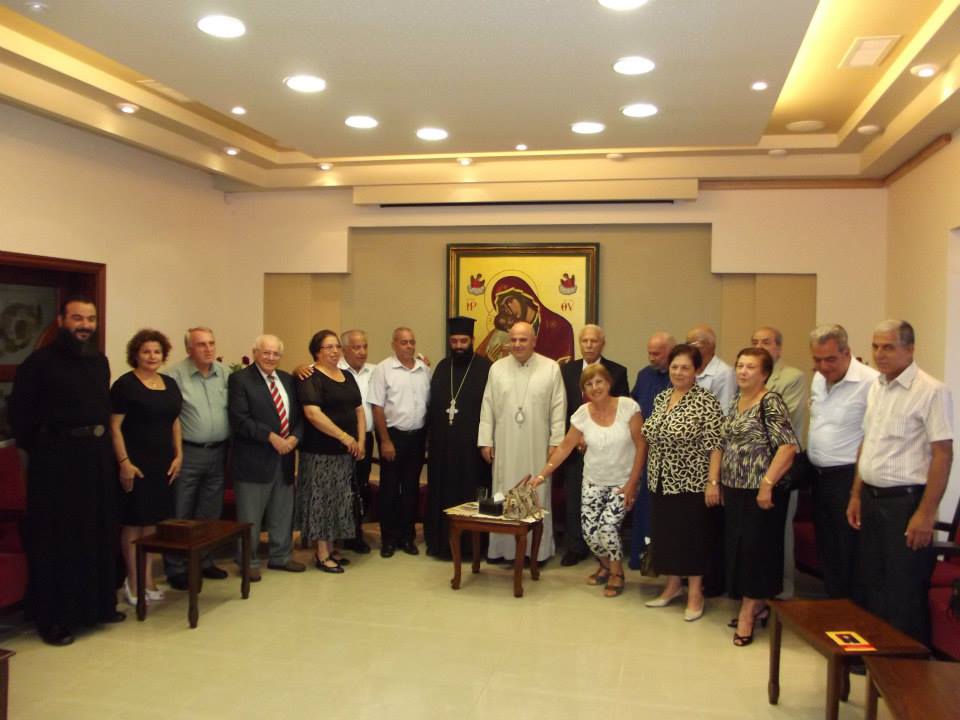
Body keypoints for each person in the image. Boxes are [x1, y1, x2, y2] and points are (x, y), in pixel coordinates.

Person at [8, 296, 125, 646]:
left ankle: (98, 606)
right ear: (61, 321)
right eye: (77, 318)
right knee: (57, 540)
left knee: (97, 533)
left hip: (96, 459)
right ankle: (53, 618)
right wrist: (49, 449)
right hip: (55, 465)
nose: (85, 325)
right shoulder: (38, 363)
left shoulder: (99, 361)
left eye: (90, 319)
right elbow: (20, 418)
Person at [846, 320, 953, 644]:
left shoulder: (931, 391)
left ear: (910, 349)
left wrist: (926, 513)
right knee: (871, 583)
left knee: (903, 588)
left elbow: (943, 454)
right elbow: (868, 442)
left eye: (888, 347)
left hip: (906, 503)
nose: (880, 354)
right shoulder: (876, 387)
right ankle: (875, 656)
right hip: (871, 498)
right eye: (876, 346)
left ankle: (905, 665)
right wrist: (856, 494)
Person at [533, 364, 644, 596]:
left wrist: (633, 483)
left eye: (599, 382)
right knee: (590, 533)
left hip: (622, 482)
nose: (595, 387)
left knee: (607, 528)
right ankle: (605, 565)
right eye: (589, 384)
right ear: (584, 390)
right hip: (593, 481)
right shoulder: (582, 414)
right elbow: (565, 447)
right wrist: (542, 474)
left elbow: (641, 445)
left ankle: (616, 573)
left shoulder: (628, 407)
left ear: (609, 383)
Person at [720, 347, 798, 647]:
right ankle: (758, 604)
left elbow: (787, 447)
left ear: (764, 374)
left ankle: (747, 615)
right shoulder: (735, 400)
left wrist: (767, 484)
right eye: (739, 365)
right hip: (734, 489)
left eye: (750, 367)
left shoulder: (771, 401)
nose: (742, 371)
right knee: (740, 550)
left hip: (760, 491)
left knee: (756, 552)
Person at [641, 344, 723, 621]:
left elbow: (716, 445)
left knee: (692, 539)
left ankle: (695, 593)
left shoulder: (706, 401)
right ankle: (673, 586)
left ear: (696, 370)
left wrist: (713, 482)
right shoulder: (662, 397)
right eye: (675, 367)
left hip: (692, 482)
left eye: (685, 367)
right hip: (660, 480)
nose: (678, 372)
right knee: (667, 537)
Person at [478, 321, 565, 562]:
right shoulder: (497, 369)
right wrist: (485, 440)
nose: (517, 344)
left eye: (523, 339)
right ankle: (502, 549)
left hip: (538, 444)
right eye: (513, 339)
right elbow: (487, 406)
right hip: (504, 442)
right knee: (504, 490)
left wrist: (556, 442)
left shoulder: (550, 368)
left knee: (536, 494)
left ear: (534, 341)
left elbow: (558, 408)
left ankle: (537, 552)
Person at [110, 329, 183, 606]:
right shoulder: (125, 385)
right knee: (134, 522)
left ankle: (148, 578)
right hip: (136, 464)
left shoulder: (169, 384)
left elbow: (175, 421)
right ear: (136, 355)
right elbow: (114, 427)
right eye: (146, 352)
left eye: (157, 352)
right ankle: (132, 581)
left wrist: (179, 455)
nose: (152, 356)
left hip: (163, 464)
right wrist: (124, 463)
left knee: (152, 522)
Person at [807, 324, 878, 599]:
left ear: (847, 352)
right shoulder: (818, 378)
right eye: (817, 360)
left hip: (848, 477)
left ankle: (850, 610)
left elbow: (870, 438)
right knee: (827, 548)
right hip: (819, 476)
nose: (823, 366)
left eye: (830, 359)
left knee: (848, 549)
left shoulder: (870, 383)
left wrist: (856, 493)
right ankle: (833, 605)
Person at [228, 335, 305, 581]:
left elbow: (299, 417)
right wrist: (271, 437)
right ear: (255, 353)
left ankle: (281, 556)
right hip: (253, 459)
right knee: (250, 516)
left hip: (285, 457)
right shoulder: (240, 380)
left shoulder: (288, 380)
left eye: (276, 353)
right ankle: (247, 561)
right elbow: (240, 419)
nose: (271, 357)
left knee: (283, 511)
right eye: (266, 352)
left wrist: (295, 438)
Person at [164, 327, 231, 590]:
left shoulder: (225, 374)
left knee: (209, 511)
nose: (208, 349)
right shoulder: (174, 376)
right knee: (181, 512)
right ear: (189, 349)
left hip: (218, 452)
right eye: (201, 344)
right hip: (188, 452)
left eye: (211, 343)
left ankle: (204, 560)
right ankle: (176, 567)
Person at [557, 324, 629, 566]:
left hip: (606, 450)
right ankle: (575, 546)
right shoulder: (566, 370)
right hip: (575, 446)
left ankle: (606, 550)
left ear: (602, 343)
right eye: (584, 341)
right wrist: (575, 436)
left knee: (604, 504)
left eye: (593, 341)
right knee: (574, 498)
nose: (588, 345)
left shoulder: (617, 371)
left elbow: (622, 411)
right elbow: (562, 408)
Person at [296, 330, 364, 573]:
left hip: (345, 453)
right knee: (322, 502)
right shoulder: (310, 376)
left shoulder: (347, 375)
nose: (335, 351)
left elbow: (359, 410)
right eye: (328, 347)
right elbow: (313, 414)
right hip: (319, 452)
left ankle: (333, 548)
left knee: (339, 501)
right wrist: (344, 436)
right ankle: (322, 554)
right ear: (317, 351)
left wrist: (361, 441)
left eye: (337, 346)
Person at [424, 316, 492, 559]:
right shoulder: (443, 368)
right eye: (454, 341)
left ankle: (472, 548)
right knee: (442, 495)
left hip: (472, 451)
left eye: (464, 341)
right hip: (443, 450)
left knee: (470, 495)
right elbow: (433, 408)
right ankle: (440, 543)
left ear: (472, 340)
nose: (459, 346)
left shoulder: (485, 368)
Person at [751, 325, 808, 599]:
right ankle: (756, 586)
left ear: (778, 348)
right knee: (756, 529)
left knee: (780, 527)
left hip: (780, 464)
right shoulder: (747, 377)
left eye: (766, 342)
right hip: (750, 465)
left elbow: (781, 418)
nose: (759, 347)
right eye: (755, 342)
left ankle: (783, 586)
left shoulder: (792, 377)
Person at [368, 327, 431, 557]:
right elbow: (377, 407)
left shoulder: (424, 370)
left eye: (412, 342)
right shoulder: (383, 369)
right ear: (393, 344)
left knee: (411, 489)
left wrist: (427, 439)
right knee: (390, 489)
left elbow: (429, 405)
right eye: (404, 342)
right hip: (392, 436)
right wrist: (385, 441)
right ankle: (389, 539)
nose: (409, 346)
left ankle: (407, 537)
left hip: (417, 437)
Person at [628, 331, 676, 569]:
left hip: (671, 454)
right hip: (644, 449)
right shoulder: (644, 375)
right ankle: (641, 556)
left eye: (657, 354)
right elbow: (634, 406)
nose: (652, 358)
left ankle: (664, 560)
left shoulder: (679, 378)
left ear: (671, 352)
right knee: (644, 506)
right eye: (650, 353)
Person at [475, 276, 575, 364]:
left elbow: (563, 368)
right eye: (502, 307)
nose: (506, 309)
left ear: (525, 297)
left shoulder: (558, 326)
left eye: (509, 301)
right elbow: (481, 362)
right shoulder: (502, 332)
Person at [338, 329, 375, 554]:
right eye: (356, 347)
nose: (362, 351)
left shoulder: (375, 371)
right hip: (339, 440)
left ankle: (355, 533)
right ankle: (337, 534)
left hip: (365, 439)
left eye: (364, 346)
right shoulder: (334, 369)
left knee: (360, 487)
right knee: (340, 488)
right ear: (344, 349)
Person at [686, 324, 735, 414]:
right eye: (687, 344)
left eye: (692, 344)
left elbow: (725, 411)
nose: (689, 349)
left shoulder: (724, 372)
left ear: (709, 345)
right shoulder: (689, 369)